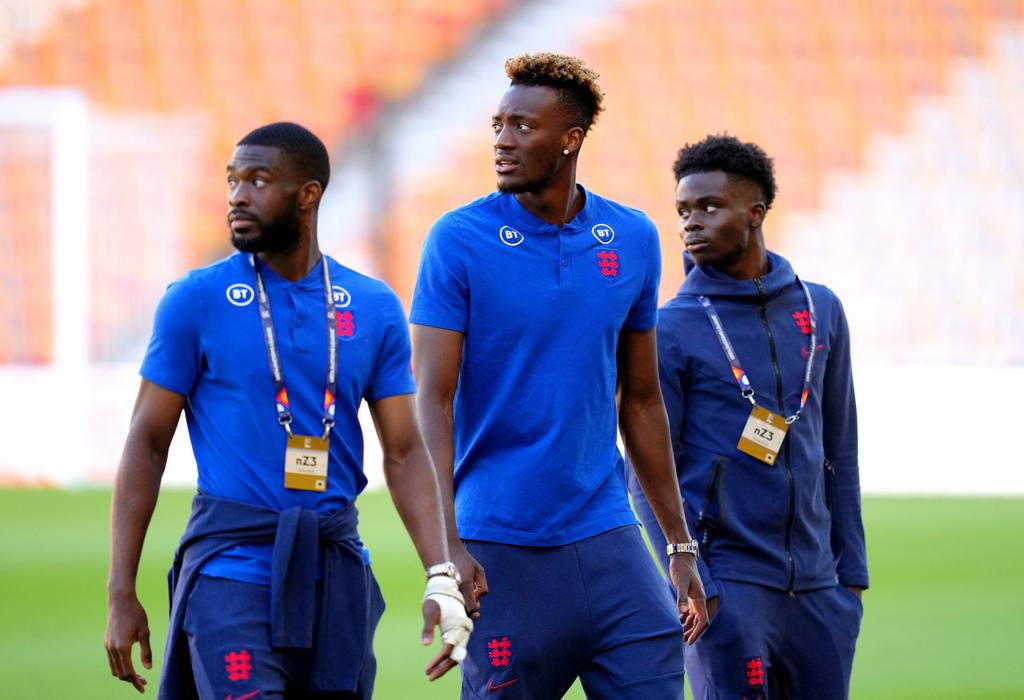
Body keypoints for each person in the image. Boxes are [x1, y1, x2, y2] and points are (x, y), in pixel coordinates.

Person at [103, 122, 472, 699]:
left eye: (257, 180)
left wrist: (440, 574)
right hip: (230, 574)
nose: (237, 196)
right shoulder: (194, 300)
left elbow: (403, 453)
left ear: (307, 195)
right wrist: (120, 591)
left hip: (336, 575)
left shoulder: (372, 306)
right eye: (232, 180)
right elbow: (146, 444)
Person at [410, 53, 708, 699]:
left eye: (522, 126)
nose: (502, 140)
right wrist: (446, 548)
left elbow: (642, 400)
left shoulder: (631, 236)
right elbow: (429, 399)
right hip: (497, 539)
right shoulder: (458, 240)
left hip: (606, 530)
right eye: (498, 124)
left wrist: (679, 545)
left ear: (570, 138)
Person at [627, 134, 869, 699]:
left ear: (755, 212)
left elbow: (841, 451)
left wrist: (850, 579)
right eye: (683, 211)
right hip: (728, 588)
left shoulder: (822, 308)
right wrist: (696, 579)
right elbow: (646, 473)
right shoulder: (670, 329)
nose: (691, 223)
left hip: (820, 591)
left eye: (709, 207)